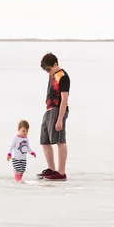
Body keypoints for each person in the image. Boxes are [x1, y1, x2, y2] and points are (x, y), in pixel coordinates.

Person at [38, 53, 70, 181]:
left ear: (55, 64)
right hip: (49, 110)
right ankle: (51, 168)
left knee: (60, 140)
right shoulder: (52, 75)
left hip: (58, 110)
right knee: (44, 140)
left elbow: (64, 99)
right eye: (46, 70)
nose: (47, 72)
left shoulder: (63, 77)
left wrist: (60, 119)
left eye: (49, 69)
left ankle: (61, 172)